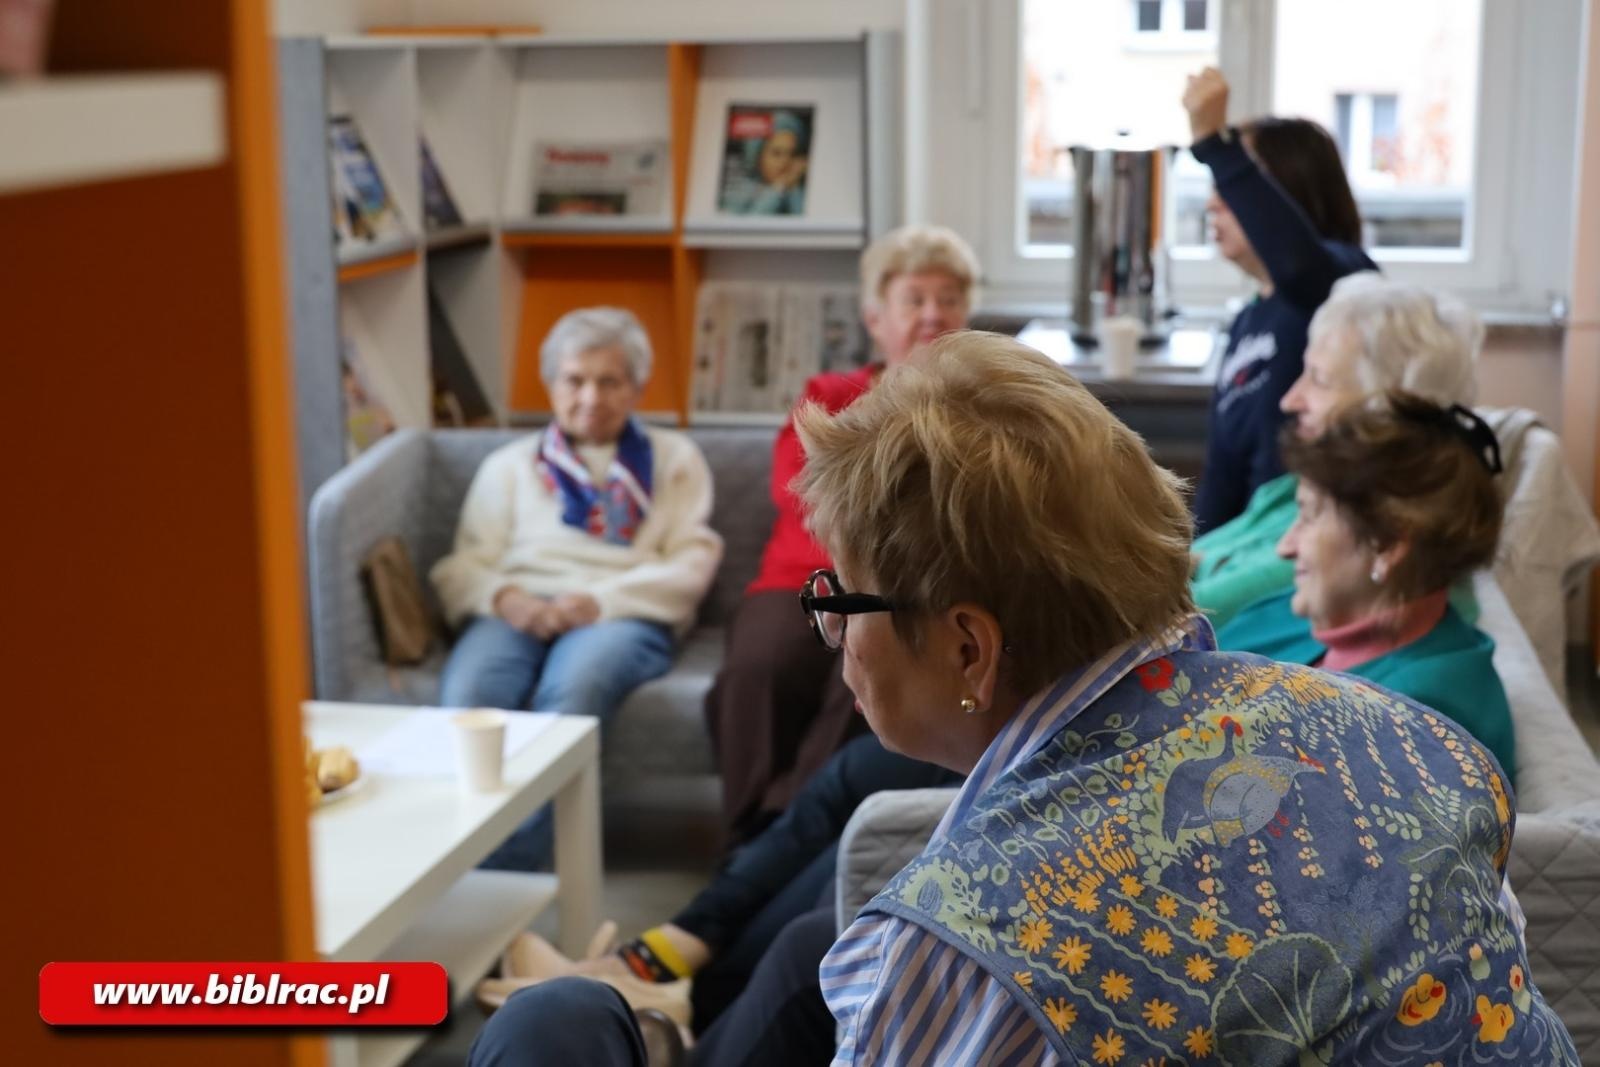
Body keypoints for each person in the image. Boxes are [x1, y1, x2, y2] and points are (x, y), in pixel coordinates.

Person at [468, 333, 1576, 1065]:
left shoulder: (959, 958)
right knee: (811, 945)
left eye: (838, 594)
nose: (830, 630)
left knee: (554, 1025)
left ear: (965, 645)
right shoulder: (1426, 748)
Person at [706, 223, 978, 845]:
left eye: (949, 298)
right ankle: (750, 838)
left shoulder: (975, 410)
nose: (933, 314)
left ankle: (798, 839)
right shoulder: (830, 396)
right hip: (800, 576)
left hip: (904, 591)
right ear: (876, 317)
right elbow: (799, 495)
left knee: (864, 675)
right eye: (915, 299)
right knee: (758, 667)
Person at [432, 306, 723, 867]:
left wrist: (601, 602)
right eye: (575, 380)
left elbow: (691, 561)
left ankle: (515, 872)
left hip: (619, 612)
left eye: (609, 381)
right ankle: (461, 862)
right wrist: (508, 600)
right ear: (550, 385)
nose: (591, 397)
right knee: (471, 695)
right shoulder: (509, 465)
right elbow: (465, 564)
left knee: (573, 693)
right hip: (515, 609)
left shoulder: (674, 460)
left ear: (636, 388)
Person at [1217, 392, 1515, 777]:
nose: (1285, 546)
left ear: (1387, 543)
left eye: (1308, 515)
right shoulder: (1307, 614)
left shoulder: (1420, 728)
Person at [1193, 273, 1484, 628]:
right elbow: (1201, 557)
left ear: (1386, 406)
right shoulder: (1298, 488)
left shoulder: (1355, 535)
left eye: (1319, 379)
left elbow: (1178, 614)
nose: (1289, 400)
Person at [1184, 66, 1376, 535]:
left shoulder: (1346, 281)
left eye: (1234, 186)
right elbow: (1223, 477)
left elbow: (1299, 268)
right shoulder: (1250, 319)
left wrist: (1214, 142)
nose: (1214, 203)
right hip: (1243, 547)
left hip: (1307, 544)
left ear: (1285, 196)